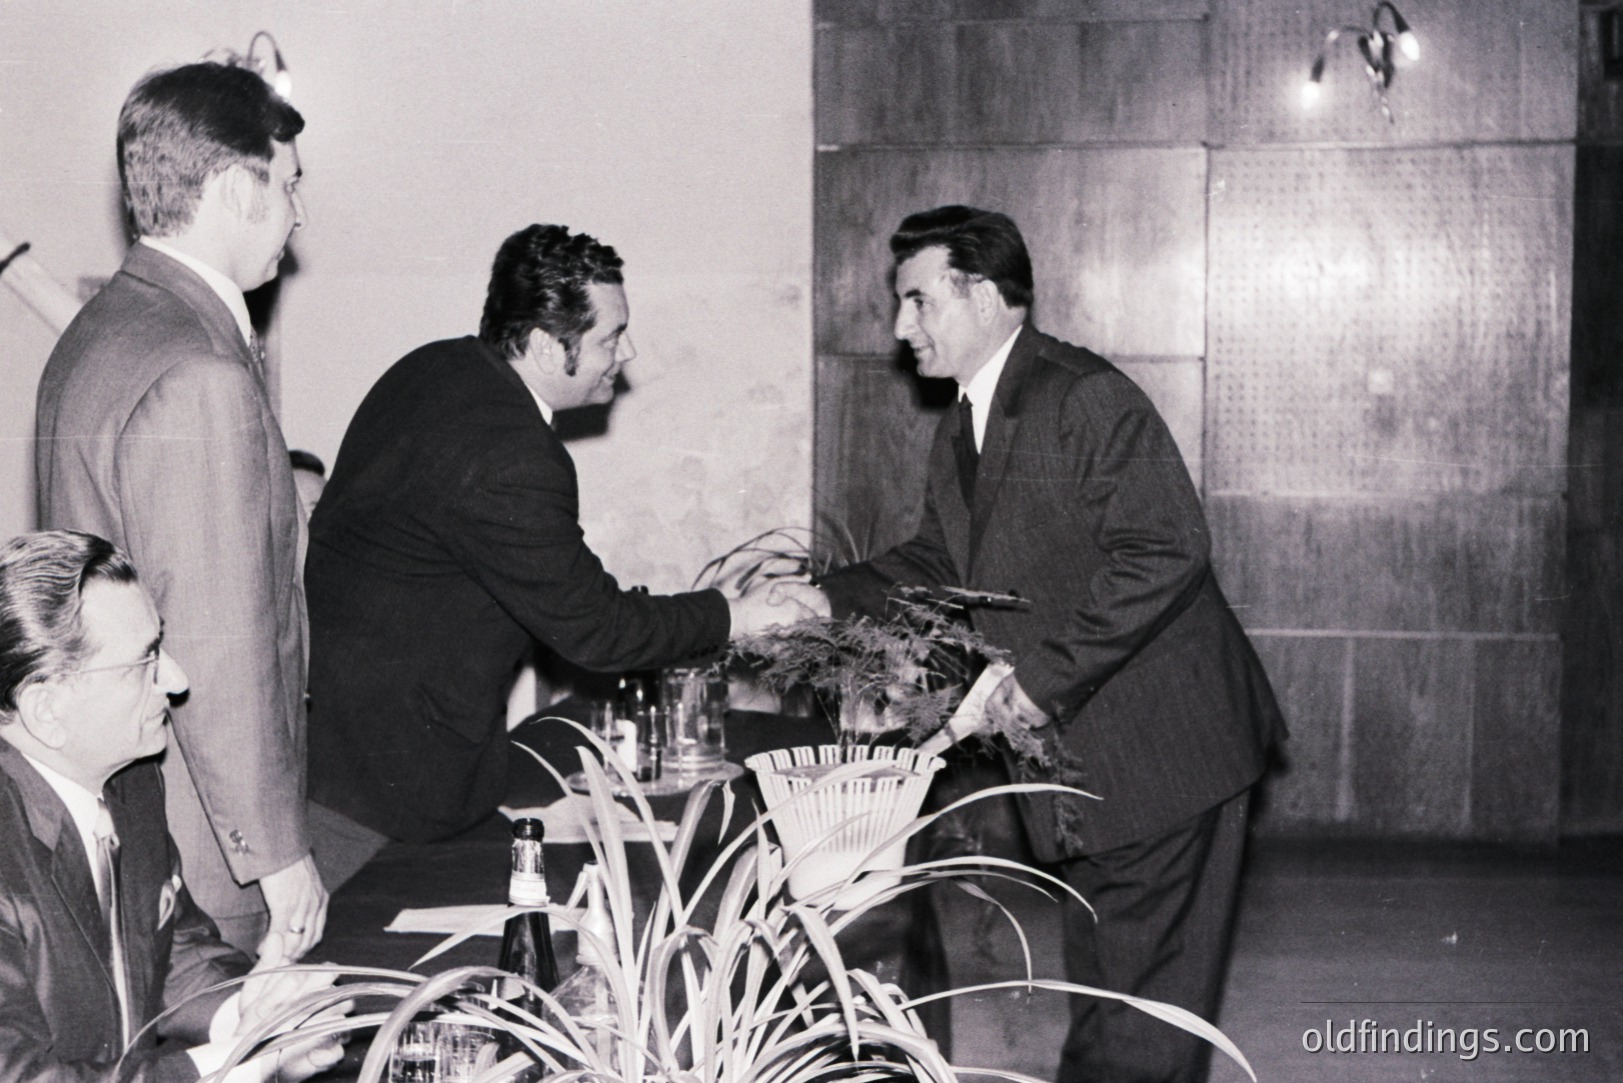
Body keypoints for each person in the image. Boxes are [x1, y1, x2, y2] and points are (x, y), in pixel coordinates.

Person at [809, 206, 1286, 1083]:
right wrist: (817, 596)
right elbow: (940, 560)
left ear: (983, 294)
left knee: (1139, 1017)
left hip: (1164, 744)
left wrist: (1038, 684)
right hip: (1094, 755)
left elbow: (1166, 546)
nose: (899, 327)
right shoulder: (969, 418)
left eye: (917, 301)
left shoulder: (1081, 394)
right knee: (1115, 994)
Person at [303, 223, 803, 881]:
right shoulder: (512, 452)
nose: (627, 353)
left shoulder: (433, 367)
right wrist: (737, 615)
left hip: (339, 761)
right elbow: (595, 629)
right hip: (392, 799)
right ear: (544, 345)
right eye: (609, 337)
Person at [35, 59, 325, 960]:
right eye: (288, 185)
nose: (298, 214)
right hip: (209, 851)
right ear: (238, 187)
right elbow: (219, 635)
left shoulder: (102, 329)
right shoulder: (200, 370)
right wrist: (275, 853)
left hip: (133, 818)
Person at [0, 530, 345, 1082]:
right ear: (45, 710)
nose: (177, 680)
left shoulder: (131, 785)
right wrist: (232, 1066)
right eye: (145, 661)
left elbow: (170, 949)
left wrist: (259, 1016)